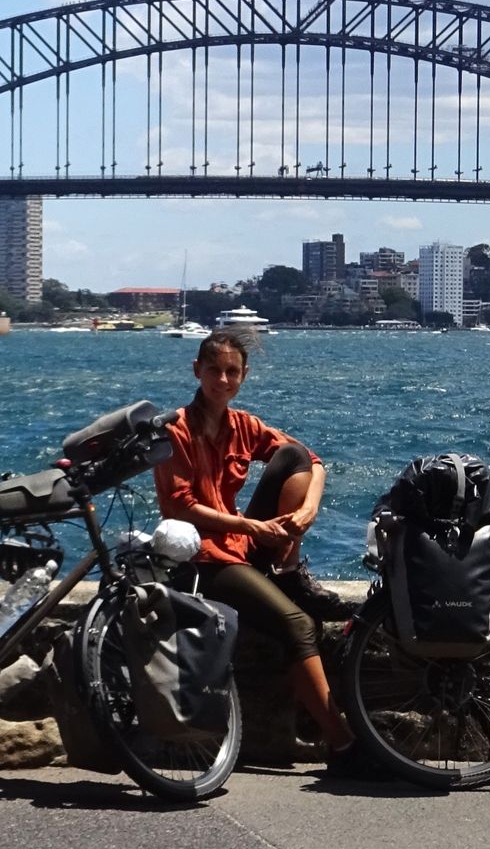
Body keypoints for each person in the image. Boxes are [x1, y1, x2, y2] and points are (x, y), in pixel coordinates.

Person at [152, 329, 370, 776]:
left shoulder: (243, 425)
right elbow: (180, 506)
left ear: (244, 375)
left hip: (238, 548)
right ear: (196, 371)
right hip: (202, 561)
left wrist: (308, 511)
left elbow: (311, 461)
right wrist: (252, 526)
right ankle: (344, 745)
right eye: (214, 370)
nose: (223, 380)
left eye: (232, 372)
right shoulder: (175, 429)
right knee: (298, 624)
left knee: (292, 457)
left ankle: (286, 570)